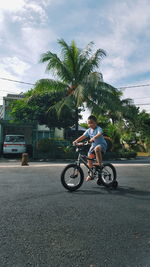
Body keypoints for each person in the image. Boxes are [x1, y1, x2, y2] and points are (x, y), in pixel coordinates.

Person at [73, 115, 107, 181]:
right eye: (89, 123)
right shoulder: (88, 130)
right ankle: (91, 174)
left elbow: (100, 133)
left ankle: (100, 165)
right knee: (89, 158)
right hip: (93, 146)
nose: (90, 124)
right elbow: (83, 136)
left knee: (96, 148)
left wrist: (94, 137)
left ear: (96, 123)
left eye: (92, 122)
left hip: (102, 145)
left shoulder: (98, 128)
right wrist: (76, 141)